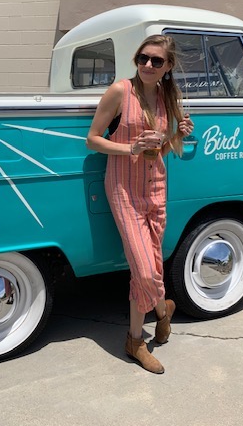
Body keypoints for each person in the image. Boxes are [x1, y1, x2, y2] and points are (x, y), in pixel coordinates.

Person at [86, 34, 194, 374]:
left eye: (156, 61)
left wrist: (176, 136)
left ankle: (135, 339)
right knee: (146, 269)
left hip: (156, 189)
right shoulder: (121, 91)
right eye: (142, 58)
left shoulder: (166, 96)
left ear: (168, 66)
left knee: (145, 267)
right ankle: (162, 312)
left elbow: (159, 152)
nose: (147, 65)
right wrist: (128, 148)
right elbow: (93, 139)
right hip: (123, 190)